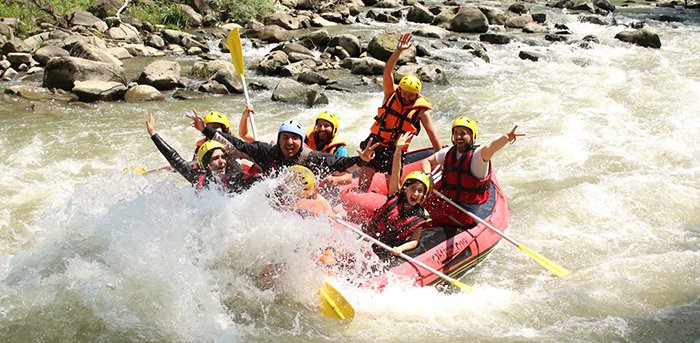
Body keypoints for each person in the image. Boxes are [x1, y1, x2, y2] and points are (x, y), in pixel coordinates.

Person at [187, 110, 380, 182]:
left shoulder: (311, 157)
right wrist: (206, 130)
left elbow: (341, 163)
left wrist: (361, 160)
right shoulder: (266, 152)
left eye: (294, 138)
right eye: (285, 138)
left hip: (301, 200)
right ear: (278, 139)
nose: (289, 142)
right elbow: (236, 144)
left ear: (301, 141)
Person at [357, 32, 442, 192]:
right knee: (364, 181)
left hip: (396, 150)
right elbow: (387, 71)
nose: (406, 96)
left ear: (417, 95)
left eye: (411, 95)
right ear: (400, 89)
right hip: (375, 143)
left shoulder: (421, 110)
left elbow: (433, 134)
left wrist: (442, 157)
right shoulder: (391, 94)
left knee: (393, 191)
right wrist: (398, 51)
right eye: (404, 92)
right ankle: (360, 199)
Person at [420, 116, 523, 220]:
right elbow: (426, 161)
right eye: (456, 133)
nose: (458, 136)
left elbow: (491, 147)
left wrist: (506, 138)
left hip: (469, 209)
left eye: (463, 133)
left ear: (472, 136)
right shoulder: (448, 152)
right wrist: (429, 176)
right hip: (449, 200)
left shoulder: (478, 155)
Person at [146, 113, 257, 193]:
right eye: (215, 158)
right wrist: (154, 135)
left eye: (223, 157)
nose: (222, 161)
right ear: (206, 163)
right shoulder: (198, 178)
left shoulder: (236, 177)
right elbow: (175, 159)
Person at [363, 132, 431, 259]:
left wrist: (401, 248)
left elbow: (414, 240)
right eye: (413, 188)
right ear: (405, 189)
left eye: (420, 191)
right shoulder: (395, 195)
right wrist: (398, 150)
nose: (415, 193)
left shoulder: (420, 216)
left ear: (423, 196)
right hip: (367, 235)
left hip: (386, 248)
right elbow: (395, 172)